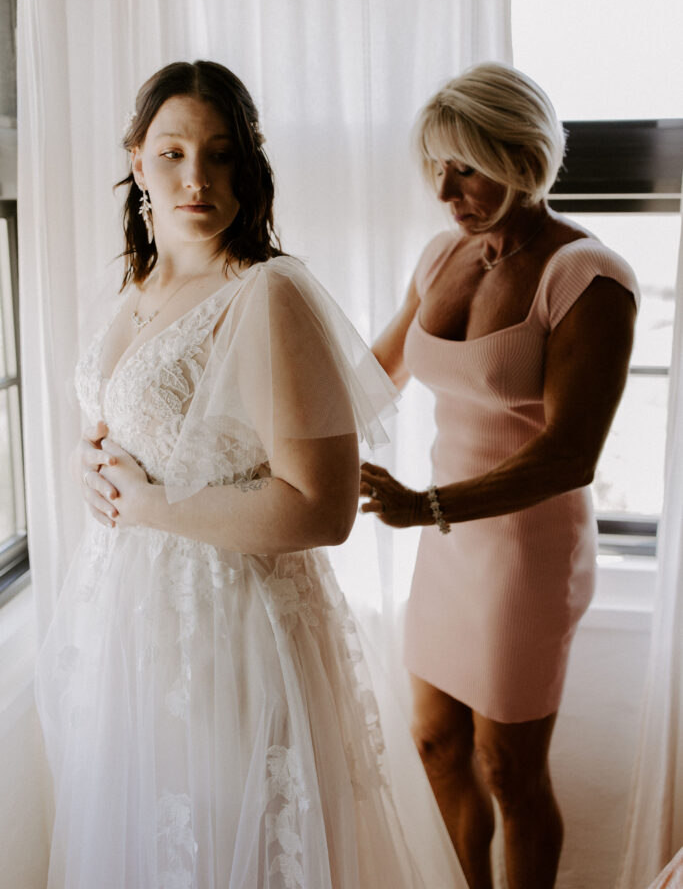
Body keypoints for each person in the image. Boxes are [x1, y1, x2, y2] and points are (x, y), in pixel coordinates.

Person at [35, 61, 465, 889]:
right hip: (131, 621)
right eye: (173, 153)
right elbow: (131, 424)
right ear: (136, 160)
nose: (196, 177)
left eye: (221, 154)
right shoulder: (133, 286)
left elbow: (321, 509)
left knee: (237, 849)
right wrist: (90, 466)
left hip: (230, 629)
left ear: (250, 166)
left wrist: (149, 505)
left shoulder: (268, 294)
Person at [359, 62, 639, 889]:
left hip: (525, 549)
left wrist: (429, 504)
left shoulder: (587, 277)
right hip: (442, 541)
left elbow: (568, 455)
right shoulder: (441, 255)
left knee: (507, 768)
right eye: (435, 169)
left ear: (522, 155)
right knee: (435, 745)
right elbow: (374, 373)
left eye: (467, 167)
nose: (446, 191)